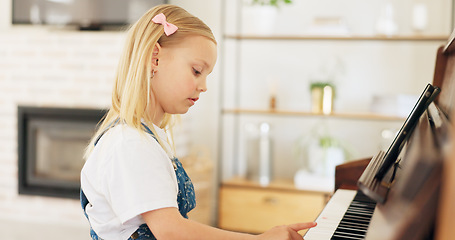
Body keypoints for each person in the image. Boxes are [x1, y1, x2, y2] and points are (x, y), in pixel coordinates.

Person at [80, 4, 316, 240]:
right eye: (196, 71)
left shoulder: (146, 137)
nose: (203, 86)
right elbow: (171, 231)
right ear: (155, 58)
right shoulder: (130, 143)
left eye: (206, 75)